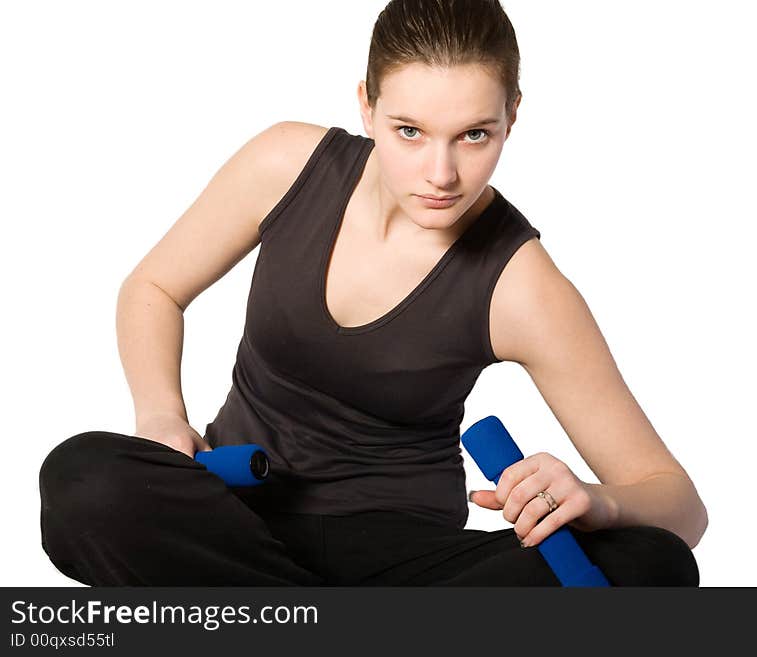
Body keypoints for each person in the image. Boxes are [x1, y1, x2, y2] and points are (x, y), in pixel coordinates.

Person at [39, 0, 706, 586]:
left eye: (474, 134)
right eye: (409, 131)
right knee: (83, 481)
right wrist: (160, 416)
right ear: (366, 105)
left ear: (512, 117)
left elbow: (679, 504)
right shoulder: (285, 164)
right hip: (234, 512)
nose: (440, 174)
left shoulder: (522, 283)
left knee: (652, 563)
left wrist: (596, 501)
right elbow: (152, 286)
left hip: (401, 557)